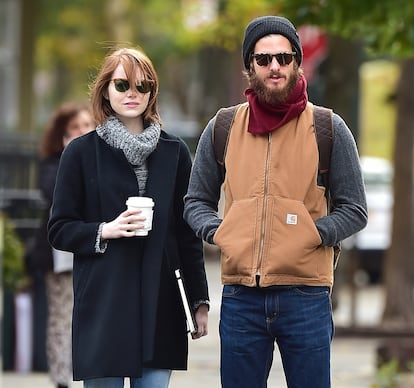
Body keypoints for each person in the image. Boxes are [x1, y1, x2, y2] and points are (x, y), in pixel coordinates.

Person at [183, 15, 368, 388]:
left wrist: (311, 234)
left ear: (297, 62)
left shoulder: (329, 128)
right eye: (264, 59)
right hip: (240, 298)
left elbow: (355, 209)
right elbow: (195, 201)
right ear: (249, 66)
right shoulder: (223, 127)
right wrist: (222, 233)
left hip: (307, 295)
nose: (275, 67)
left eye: (284, 58)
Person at [47, 46, 209, 388]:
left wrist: (199, 301)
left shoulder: (175, 151)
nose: (132, 93)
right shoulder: (80, 152)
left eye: (143, 85)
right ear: (105, 89)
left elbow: (187, 233)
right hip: (103, 300)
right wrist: (105, 230)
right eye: (122, 85)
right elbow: (59, 228)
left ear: (152, 91)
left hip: (160, 300)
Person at [26, 102, 94, 388]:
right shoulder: (53, 163)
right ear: (63, 134)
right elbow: (52, 193)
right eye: (75, 127)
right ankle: (60, 378)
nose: (82, 132)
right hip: (59, 254)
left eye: (86, 126)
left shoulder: (101, 158)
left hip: (93, 248)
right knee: (60, 317)